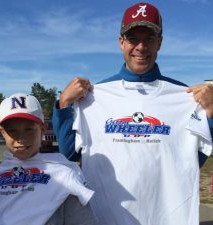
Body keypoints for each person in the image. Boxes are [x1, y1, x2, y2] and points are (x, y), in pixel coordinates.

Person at [52, 3, 213, 225]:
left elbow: (194, 160)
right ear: (121, 42)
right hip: (105, 219)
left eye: (149, 39)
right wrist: (63, 107)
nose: (140, 47)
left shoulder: (184, 98)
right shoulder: (93, 98)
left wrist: (210, 115)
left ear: (160, 42)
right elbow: (69, 156)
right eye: (133, 38)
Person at [0, 93, 97, 225]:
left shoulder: (64, 176)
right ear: (2, 132)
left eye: (29, 129)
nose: (21, 138)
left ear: (42, 129)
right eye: (12, 131)